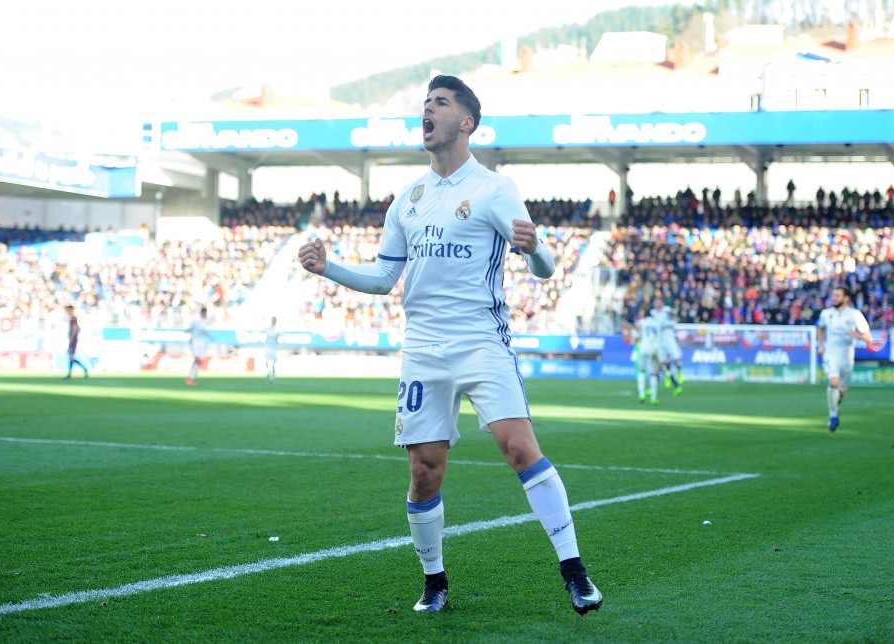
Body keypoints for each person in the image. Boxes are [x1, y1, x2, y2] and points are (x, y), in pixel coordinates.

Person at [298, 75, 601, 616]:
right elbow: (384, 280)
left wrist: (535, 252)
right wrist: (329, 269)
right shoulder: (407, 200)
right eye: (424, 104)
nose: (426, 111)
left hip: (481, 340)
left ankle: (574, 571)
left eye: (439, 104)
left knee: (517, 447)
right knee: (424, 471)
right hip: (423, 349)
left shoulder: (494, 189)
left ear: (467, 122)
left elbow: (546, 267)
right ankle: (435, 581)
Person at [817, 286, 872, 432]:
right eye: (833, 295)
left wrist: (858, 336)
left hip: (847, 356)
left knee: (841, 393)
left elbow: (869, 338)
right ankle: (833, 416)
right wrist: (821, 345)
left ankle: (835, 407)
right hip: (831, 353)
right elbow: (821, 329)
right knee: (833, 382)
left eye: (837, 296)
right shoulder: (826, 314)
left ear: (846, 298)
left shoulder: (855, 315)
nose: (834, 298)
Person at [651, 297, 683, 395]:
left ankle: (679, 372)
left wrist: (672, 316)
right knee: (663, 362)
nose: (657, 304)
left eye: (659, 302)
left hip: (669, 338)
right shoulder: (653, 313)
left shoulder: (667, 310)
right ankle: (671, 380)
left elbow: (675, 317)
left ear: (662, 303)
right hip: (660, 340)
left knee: (676, 357)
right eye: (656, 302)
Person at [634, 312, 661, 405]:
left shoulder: (642, 322)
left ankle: (641, 394)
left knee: (641, 371)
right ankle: (653, 398)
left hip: (643, 348)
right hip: (654, 349)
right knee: (653, 374)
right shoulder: (657, 323)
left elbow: (636, 334)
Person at [186, 306, 214, 386]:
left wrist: (210, 337)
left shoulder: (205, 321)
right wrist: (190, 337)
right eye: (205, 313)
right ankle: (191, 377)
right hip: (195, 341)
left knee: (199, 360)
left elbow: (204, 331)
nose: (205, 314)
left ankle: (192, 377)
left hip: (202, 342)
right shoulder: (195, 320)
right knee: (197, 359)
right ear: (202, 312)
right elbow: (189, 329)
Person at [63, 305, 89, 379]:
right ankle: (70, 374)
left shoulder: (73, 318)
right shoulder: (73, 318)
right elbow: (78, 328)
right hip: (74, 339)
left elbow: (75, 329)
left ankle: (84, 369)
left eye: (68, 310)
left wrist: (71, 339)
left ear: (70, 310)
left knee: (71, 357)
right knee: (71, 357)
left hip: (73, 340)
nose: (67, 311)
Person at [263, 316, 280, 383]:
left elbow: (282, 335)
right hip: (267, 347)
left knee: (272, 363)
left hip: (274, 348)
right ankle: (269, 373)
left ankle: (272, 376)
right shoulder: (267, 329)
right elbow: (261, 331)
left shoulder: (277, 330)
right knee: (267, 362)